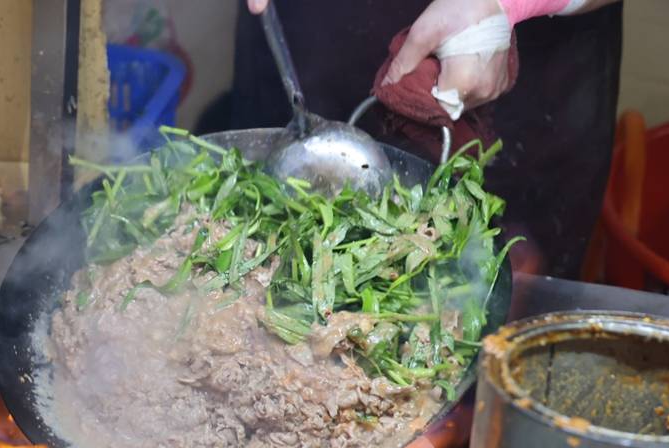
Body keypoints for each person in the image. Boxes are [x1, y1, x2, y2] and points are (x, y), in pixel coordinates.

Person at [229, 0, 624, 279]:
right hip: (308, 37)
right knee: (261, 246)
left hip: (515, 67)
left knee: (493, 320)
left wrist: (505, 5)